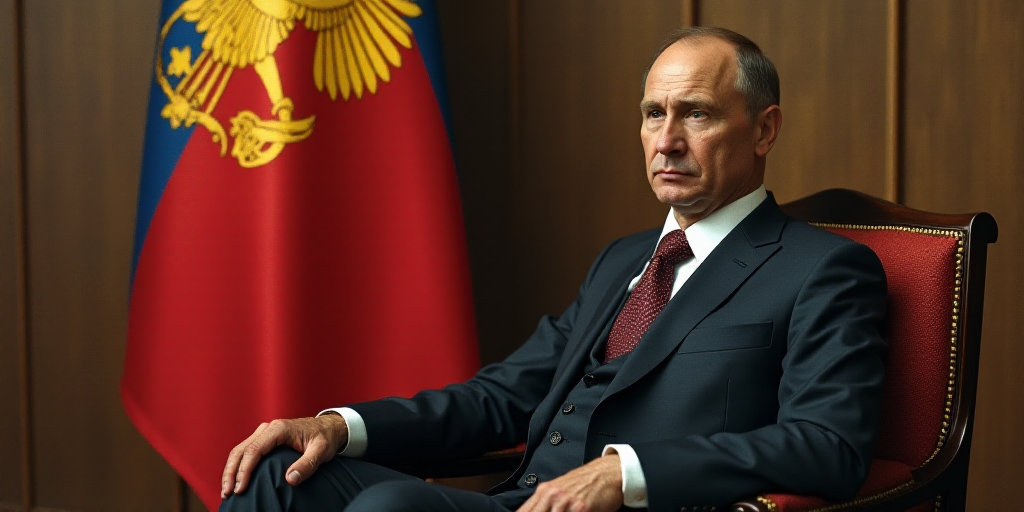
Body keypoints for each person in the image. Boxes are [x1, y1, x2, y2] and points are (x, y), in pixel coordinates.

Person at [219, 27, 888, 512]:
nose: (666, 140)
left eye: (697, 115)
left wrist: (626, 473)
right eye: (654, 114)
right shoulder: (624, 260)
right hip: (521, 502)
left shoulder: (824, 270)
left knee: (392, 511)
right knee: (279, 472)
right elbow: (501, 397)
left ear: (764, 131)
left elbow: (826, 445)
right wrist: (337, 426)